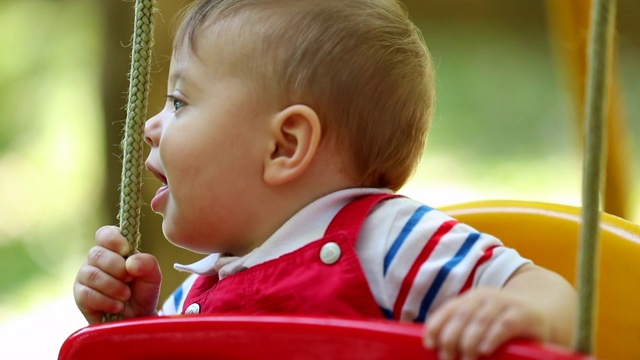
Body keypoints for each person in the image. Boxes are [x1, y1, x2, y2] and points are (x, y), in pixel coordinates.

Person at [73, 0, 576, 359]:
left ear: (284, 146)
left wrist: (520, 313)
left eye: (180, 102)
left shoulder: (385, 240)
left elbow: (551, 294)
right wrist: (133, 330)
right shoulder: (196, 294)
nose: (149, 126)